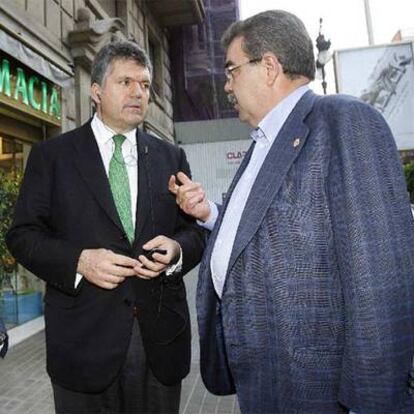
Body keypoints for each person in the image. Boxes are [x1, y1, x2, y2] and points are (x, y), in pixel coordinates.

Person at [169, 10, 414, 414]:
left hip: (318, 387)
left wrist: (371, 402)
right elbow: (270, 224)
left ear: (269, 67)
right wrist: (211, 214)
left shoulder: (345, 122)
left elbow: (380, 282)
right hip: (266, 378)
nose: (226, 85)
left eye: (231, 70)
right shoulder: (264, 141)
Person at [6, 41, 204, 414]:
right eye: (125, 82)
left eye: (145, 84)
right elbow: (22, 235)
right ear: (96, 91)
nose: (138, 93)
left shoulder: (170, 156)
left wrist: (177, 252)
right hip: (82, 345)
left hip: (159, 343)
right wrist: (79, 261)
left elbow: (194, 233)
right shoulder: (52, 156)